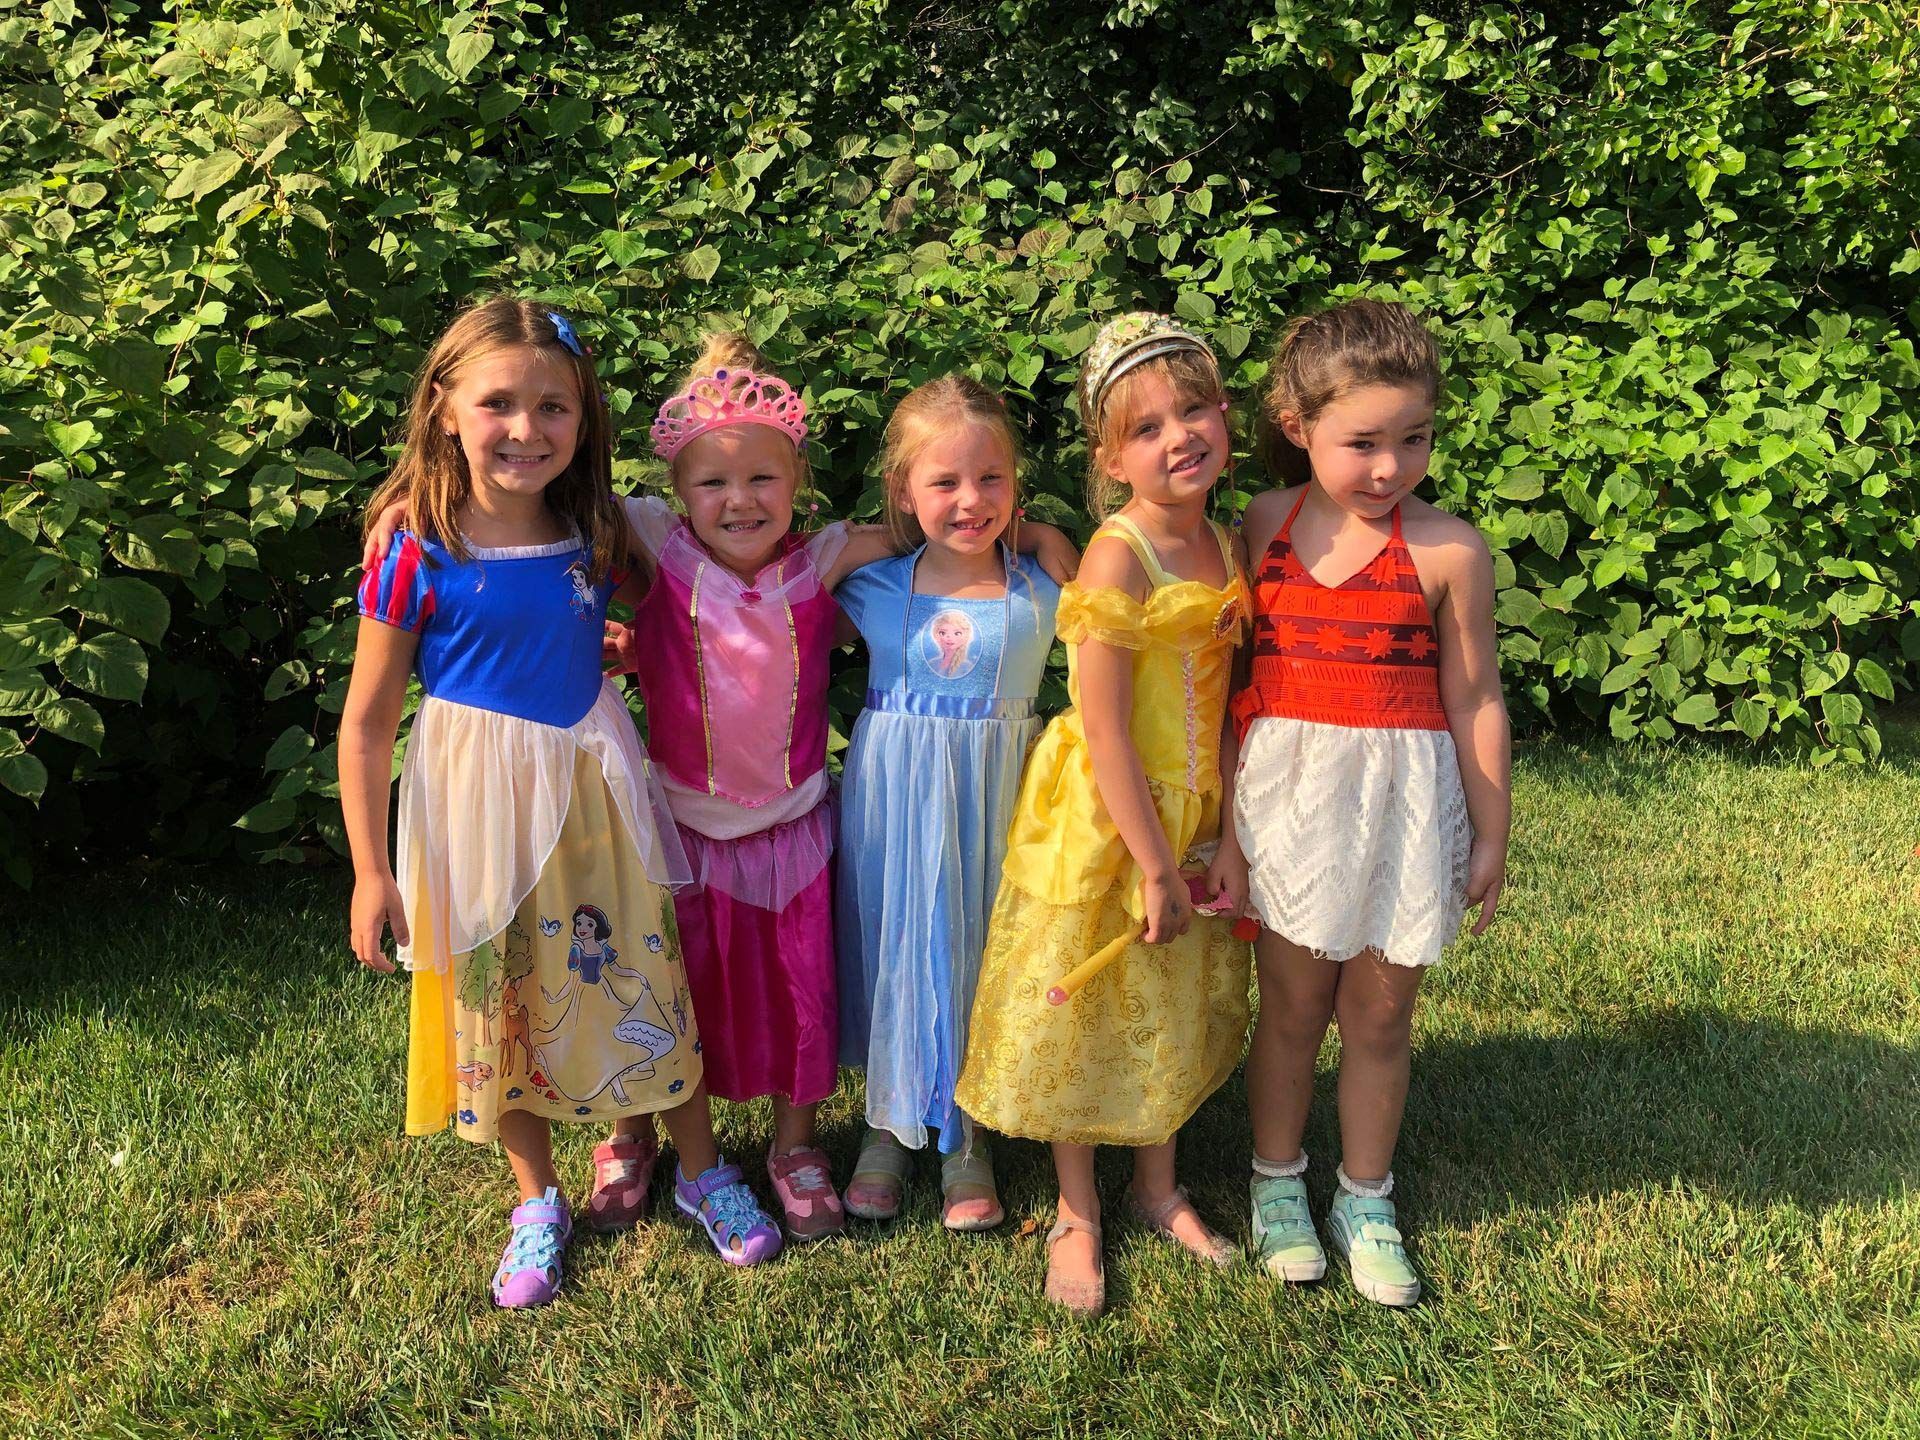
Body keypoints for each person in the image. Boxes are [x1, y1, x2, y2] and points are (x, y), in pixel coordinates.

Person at [340, 300, 781, 1309]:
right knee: (498, 1000)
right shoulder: (416, 543)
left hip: (594, 790)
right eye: (499, 403)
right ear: (443, 407)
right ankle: (535, 1200)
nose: (526, 429)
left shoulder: (593, 528)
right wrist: (372, 871)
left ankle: (705, 1172)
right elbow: (366, 724)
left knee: (642, 976)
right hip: (473, 802)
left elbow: (650, 598)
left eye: (554, 407)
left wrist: (616, 640)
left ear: (584, 420)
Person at [954, 314, 1254, 1316]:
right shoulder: (1120, 557)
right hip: (1112, 813)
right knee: (1087, 1005)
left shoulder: (1221, 534)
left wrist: (1214, 832)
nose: (1180, 437)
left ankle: (1159, 1185)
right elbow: (1108, 727)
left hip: (1194, 805)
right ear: (1110, 455)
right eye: (1147, 426)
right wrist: (1156, 862)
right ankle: (1079, 1207)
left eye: (1196, 408)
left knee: (1163, 998)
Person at [1229, 298, 1511, 1307]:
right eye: (1363, 443)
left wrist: (1491, 831)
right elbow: (1233, 685)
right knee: (1295, 1009)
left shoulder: (1449, 550)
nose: (1391, 467)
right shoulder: (1263, 524)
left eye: (1414, 438)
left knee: (1382, 1015)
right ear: (1298, 426)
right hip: (1295, 803)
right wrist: (1223, 827)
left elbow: (1475, 695)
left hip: (1403, 806)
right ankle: (1274, 1186)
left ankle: (1365, 1195)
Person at [834, 376, 1063, 1231]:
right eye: (944, 482)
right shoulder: (873, 583)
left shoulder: (1041, 583)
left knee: (978, 944)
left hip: (996, 800)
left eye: (992, 479)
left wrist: (1046, 534)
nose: (972, 501)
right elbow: (777, 571)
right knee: (899, 941)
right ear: (904, 491)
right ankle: (887, 1128)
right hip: (894, 803)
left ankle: (968, 1135)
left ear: (1016, 483)